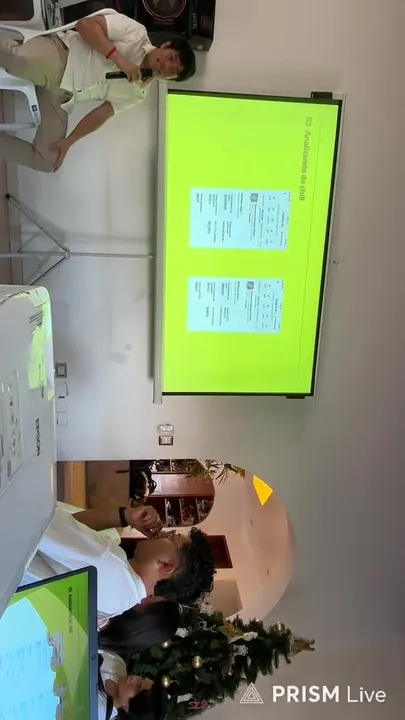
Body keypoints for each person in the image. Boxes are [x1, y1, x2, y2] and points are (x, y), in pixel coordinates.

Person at [0, 10, 196, 172]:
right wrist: (119, 59)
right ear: (166, 45)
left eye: (173, 72)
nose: (167, 67)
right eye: (171, 59)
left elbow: (101, 114)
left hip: (62, 96)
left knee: (48, 161)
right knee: (18, 60)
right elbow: (85, 25)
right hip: (61, 56)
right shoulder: (136, 33)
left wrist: (69, 141)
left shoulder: (138, 94)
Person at [22, 504, 215, 622]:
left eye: (172, 537)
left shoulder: (109, 561)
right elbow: (69, 529)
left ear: (166, 566)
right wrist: (125, 516)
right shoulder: (121, 602)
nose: (163, 532)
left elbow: (40, 520)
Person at [98, 649, 166, 720]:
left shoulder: (97, 711)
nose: (134, 678)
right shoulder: (119, 665)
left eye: (138, 686)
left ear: (128, 708)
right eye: (142, 678)